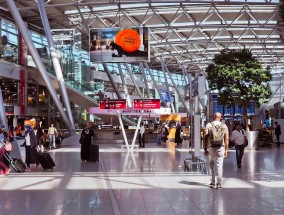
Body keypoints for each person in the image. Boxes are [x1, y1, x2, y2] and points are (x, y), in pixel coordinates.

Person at [204, 112, 229, 189]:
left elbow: (205, 137)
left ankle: (212, 182)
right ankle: (219, 184)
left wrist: (205, 148)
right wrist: (226, 150)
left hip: (211, 147)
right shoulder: (224, 126)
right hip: (221, 147)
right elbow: (226, 139)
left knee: (211, 164)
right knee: (219, 165)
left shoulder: (209, 125)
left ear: (214, 116)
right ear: (220, 117)